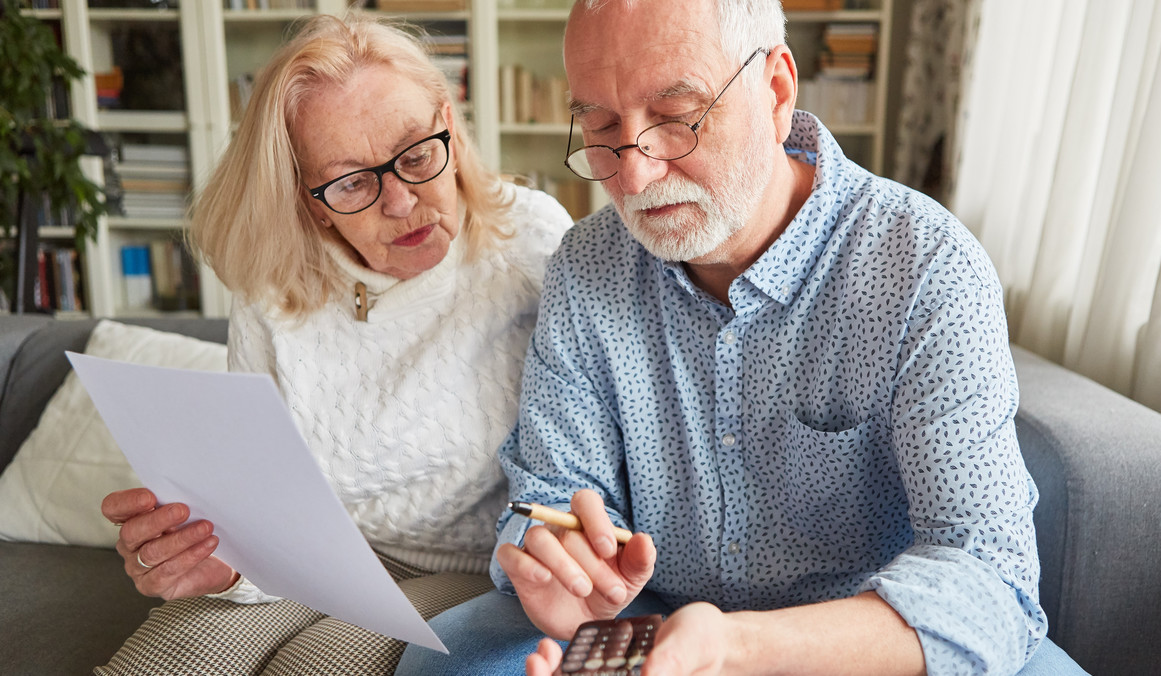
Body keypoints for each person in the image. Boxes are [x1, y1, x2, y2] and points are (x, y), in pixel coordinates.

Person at [397, 1, 1091, 675]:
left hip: (861, 641)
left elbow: (988, 579)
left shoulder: (924, 265)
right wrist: (557, 562)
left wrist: (740, 649)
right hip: (650, 625)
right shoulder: (586, 266)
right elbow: (551, 492)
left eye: (676, 118)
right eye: (602, 127)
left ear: (777, 90)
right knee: (450, 659)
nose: (633, 175)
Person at [97, 13, 572, 675]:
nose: (401, 202)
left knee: (312, 668)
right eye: (351, 181)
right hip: (305, 558)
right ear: (310, 198)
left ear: (450, 124)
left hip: (467, 567)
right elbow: (256, 504)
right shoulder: (272, 281)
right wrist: (223, 565)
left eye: (416, 154)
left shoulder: (533, 242)